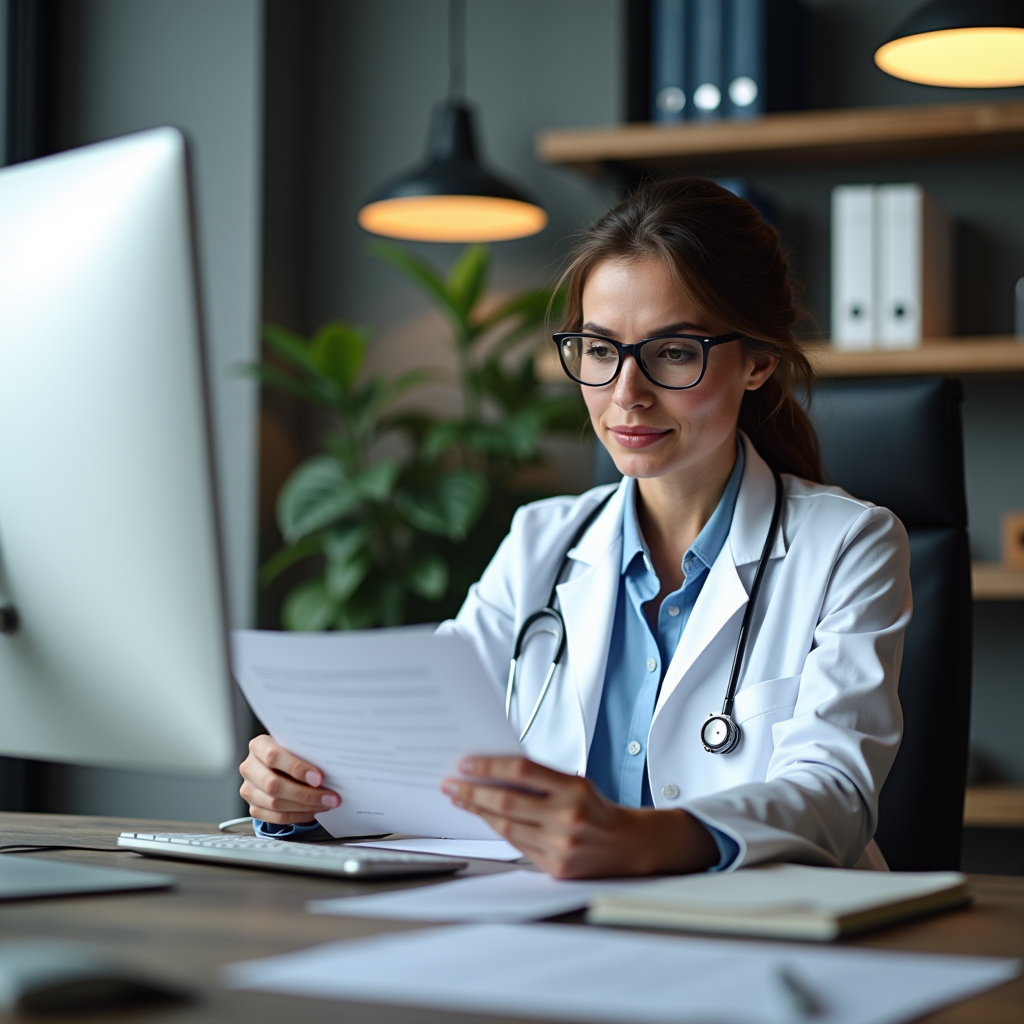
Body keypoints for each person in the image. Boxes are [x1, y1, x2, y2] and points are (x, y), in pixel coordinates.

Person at [239, 179, 910, 879]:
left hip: (766, 922)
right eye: (599, 349)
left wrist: (645, 839)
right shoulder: (541, 541)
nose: (626, 394)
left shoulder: (849, 546)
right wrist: (304, 789)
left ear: (759, 362)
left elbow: (834, 796)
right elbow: (418, 740)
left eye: (675, 352)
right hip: (556, 916)